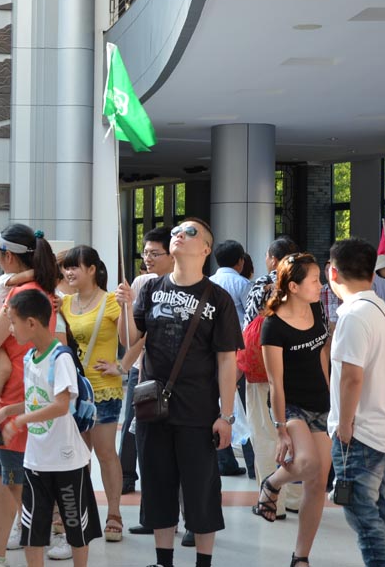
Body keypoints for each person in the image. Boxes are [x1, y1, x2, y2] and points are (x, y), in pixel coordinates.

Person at [115, 218, 243, 567]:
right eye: (176, 232)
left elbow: (227, 361)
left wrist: (226, 415)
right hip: (152, 407)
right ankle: (163, 561)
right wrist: (125, 307)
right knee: (157, 486)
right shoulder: (151, 289)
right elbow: (130, 339)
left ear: (205, 249)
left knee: (201, 489)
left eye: (189, 233)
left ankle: (203, 561)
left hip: (198, 410)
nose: (179, 235)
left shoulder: (218, 298)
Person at [0, 289, 102, 567]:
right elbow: (36, 401)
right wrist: (9, 411)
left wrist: (20, 421)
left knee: (76, 528)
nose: (10, 329)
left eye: (13, 322)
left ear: (31, 323)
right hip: (36, 461)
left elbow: (61, 405)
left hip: (66, 461)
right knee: (32, 531)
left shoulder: (60, 357)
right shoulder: (30, 358)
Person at [0, 224, 60, 567]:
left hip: (15, 401)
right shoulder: (43, 289)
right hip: (23, 396)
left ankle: (22, 557)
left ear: (8, 256)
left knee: (18, 488)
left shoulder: (20, 295)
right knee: (5, 484)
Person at [251, 254, 332, 567]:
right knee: (308, 462)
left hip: (321, 403)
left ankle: (301, 556)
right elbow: (275, 383)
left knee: (318, 483)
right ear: (294, 287)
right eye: (314, 281)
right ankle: (272, 483)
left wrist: (331, 395)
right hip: (292, 406)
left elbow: (321, 355)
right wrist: (281, 428)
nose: (320, 285)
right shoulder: (273, 326)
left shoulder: (315, 308)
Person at [326, 239, 385, 567]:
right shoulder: (381, 310)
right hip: (383, 429)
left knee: (364, 518)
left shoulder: (354, 315)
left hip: (361, 434)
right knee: (377, 513)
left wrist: (344, 425)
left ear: (333, 273)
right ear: (372, 273)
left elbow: (352, 377)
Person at [59, 246, 128, 542]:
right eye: (66, 267)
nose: (69, 272)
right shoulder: (64, 303)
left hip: (102, 391)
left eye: (75, 266)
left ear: (92, 269)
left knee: (105, 453)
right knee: (76, 456)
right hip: (73, 392)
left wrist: (121, 367)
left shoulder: (112, 301)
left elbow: (132, 339)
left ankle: (114, 513)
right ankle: (80, 511)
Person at [243, 236, 302, 516]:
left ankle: (271, 500)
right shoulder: (305, 285)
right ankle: (295, 498)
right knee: (295, 432)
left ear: (273, 259)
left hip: (263, 369)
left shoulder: (263, 284)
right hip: (296, 370)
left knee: (265, 432)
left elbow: (248, 326)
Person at [121, 227, 172, 501]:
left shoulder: (193, 287)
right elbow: (133, 336)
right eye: (145, 253)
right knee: (134, 422)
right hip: (142, 368)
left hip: (173, 373)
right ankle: (126, 475)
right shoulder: (143, 283)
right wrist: (125, 306)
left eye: (154, 253)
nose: (148, 258)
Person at [209, 239, 253, 478]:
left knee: (217, 406)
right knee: (245, 408)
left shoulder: (207, 283)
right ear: (240, 262)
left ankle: (224, 460)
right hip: (238, 353)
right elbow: (251, 320)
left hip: (211, 354)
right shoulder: (243, 284)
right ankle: (253, 463)